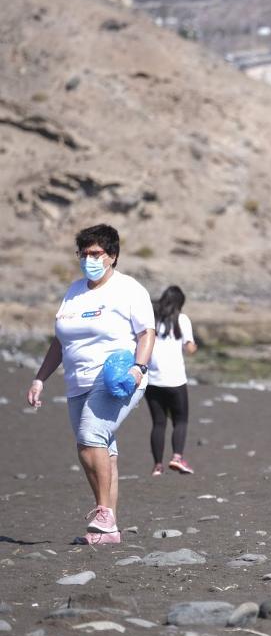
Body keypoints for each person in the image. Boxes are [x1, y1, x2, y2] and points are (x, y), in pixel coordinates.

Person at [26, 224, 155, 544]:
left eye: (95, 253)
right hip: (77, 381)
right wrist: (40, 378)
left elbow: (147, 333)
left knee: (89, 438)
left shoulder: (129, 289)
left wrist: (140, 367)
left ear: (112, 256)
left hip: (117, 377)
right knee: (104, 449)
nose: (88, 259)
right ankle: (109, 530)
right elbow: (59, 342)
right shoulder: (74, 292)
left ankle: (103, 512)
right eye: (83, 254)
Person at [146, 286, 197, 476]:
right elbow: (189, 348)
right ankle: (177, 457)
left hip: (152, 380)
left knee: (158, 423)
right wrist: (193, 345)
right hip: (175, 379)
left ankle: (157, 466)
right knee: (181, 420)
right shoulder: (182, 320)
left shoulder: (151, 319)